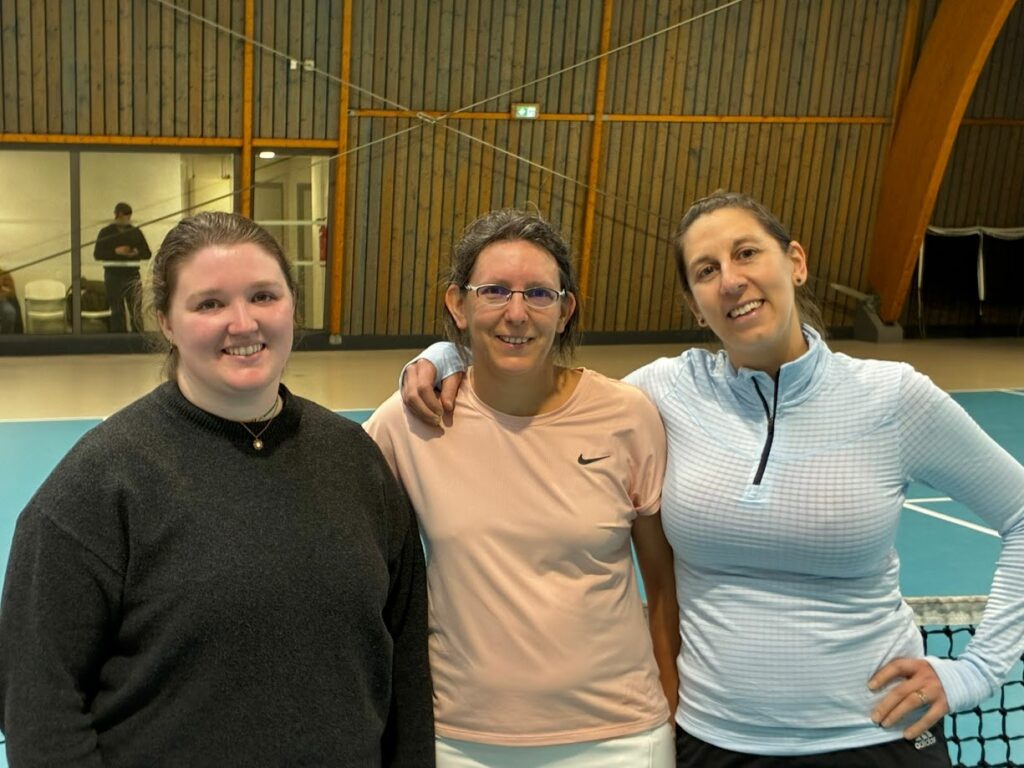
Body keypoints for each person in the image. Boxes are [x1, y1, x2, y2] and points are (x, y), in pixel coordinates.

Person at [401, 192, 1024, 766]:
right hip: (713, 742)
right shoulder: (665, 392)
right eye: (705, 270)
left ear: (796, 262)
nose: (730, 280)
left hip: (875, 737)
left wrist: (976, 671)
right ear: (696, 306)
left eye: (746, 253)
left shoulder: (893, 397)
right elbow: (541, 374)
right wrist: (447, 354)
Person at [0, 212, 434, 766]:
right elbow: (39, 706)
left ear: (292, 305)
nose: (243, 323)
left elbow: (405, 671)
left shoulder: (357, 461)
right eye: (209, 304)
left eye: (263, 296)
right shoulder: (98, 485)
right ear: (165, 321)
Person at [364, 208, 678, 766]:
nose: (516, 313)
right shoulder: (410, 422)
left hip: (620, 738)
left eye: (538, 293)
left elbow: (663, 583)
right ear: (458, 305)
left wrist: (668, 711)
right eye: (494, 291)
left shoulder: (627, 416)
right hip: (460, 740)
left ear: (565, 310)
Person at [93, 202, 152, 332]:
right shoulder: (106, 233)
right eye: (124, 217)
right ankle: (119, 339)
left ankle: (137, 339)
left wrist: (136, 252)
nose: (126, 220)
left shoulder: (135, 232)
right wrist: (115, 252)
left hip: (132, 275)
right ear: (117, 215)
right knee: (116, 310)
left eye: (128, 217)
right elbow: (97, 254)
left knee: (135, 310)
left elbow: (147, 253)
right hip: (113, 275)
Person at [0, 266, 23, 333]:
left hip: (1, 300)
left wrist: (3, 292)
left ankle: (6, 337)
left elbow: (11, 293)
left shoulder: (4, 274)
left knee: (9, 312)